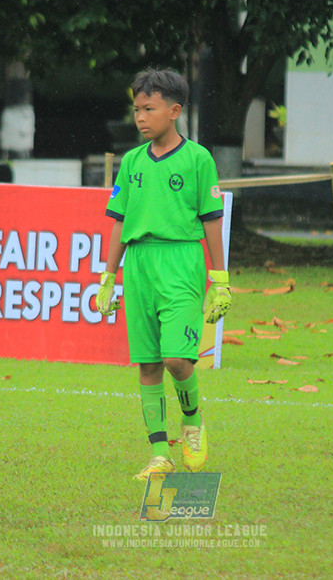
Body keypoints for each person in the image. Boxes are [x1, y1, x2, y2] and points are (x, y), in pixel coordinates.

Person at [96, 68, 232, 481]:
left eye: (149, 109)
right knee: (149, 364)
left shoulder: (197, 159)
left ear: (174, 111)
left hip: (180, 262)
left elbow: (211, 220)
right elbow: (119, 221)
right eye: (137, 109)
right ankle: (159, 454)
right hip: (139, 266)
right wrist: (107, 276)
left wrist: (220, 280)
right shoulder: (132, 162)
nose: (140, 117)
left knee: (176, 358)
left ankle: (192, 422)